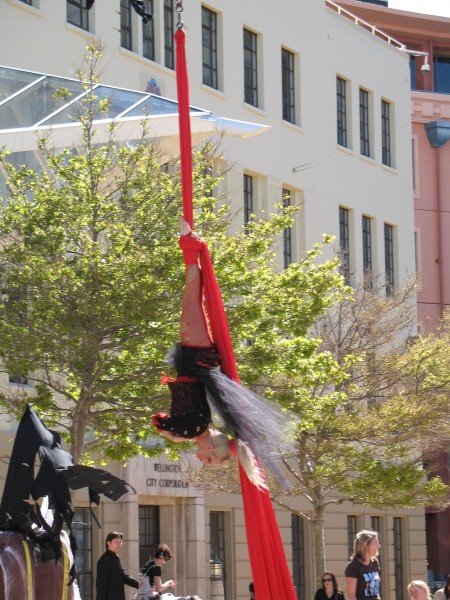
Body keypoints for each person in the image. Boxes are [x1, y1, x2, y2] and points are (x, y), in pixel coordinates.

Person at [152, 218, 296, 489]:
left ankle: (191, 248)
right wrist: (177, 437)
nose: (201, 460)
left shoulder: (196, 429)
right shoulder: (194, 430)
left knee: (193, 303)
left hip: (195, 361)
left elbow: (165, 424)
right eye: (208, 461)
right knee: (191, 301)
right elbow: (162, 424)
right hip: (195, 357)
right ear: (210, 449)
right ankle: (190, 247)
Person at [96, 531, 139, 600]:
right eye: (116, 542)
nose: (119, 544)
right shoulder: (105, 560)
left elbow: (123, 576)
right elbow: (101, 585)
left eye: (120, 542)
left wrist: (139, 584)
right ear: (108, 543)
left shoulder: (115, 557)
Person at [345, 530, 381, 600]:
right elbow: (351, 595)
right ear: (365, 544)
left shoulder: (375, 563)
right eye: (375, 542)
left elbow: (376, 592)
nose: (378, 546)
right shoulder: (353, 566)